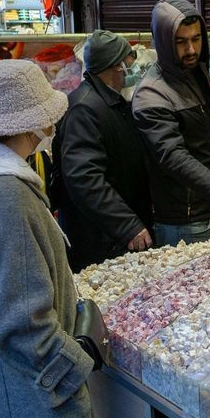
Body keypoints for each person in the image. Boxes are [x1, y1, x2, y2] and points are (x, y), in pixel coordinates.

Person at [0, 60, 97, 418]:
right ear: (29, 123)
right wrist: (76, 367)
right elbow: (24, 328)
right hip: (31, 411)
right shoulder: (5, 198)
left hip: (2, 393)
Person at [133, 0, 210, 246]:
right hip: (188, 223)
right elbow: (173, 156)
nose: (191, 49)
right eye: (180, 42)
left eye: (196, 39)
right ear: (163, 42)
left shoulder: (200, 75)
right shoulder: (152, 93)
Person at [52, 29, 154, 272]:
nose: (133, 67)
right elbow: (84, 177)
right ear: (117, 65)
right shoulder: (84, 108)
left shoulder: (110, 100)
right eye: (130, 61)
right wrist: (127, 225)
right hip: (100, 241)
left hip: (114, 235)